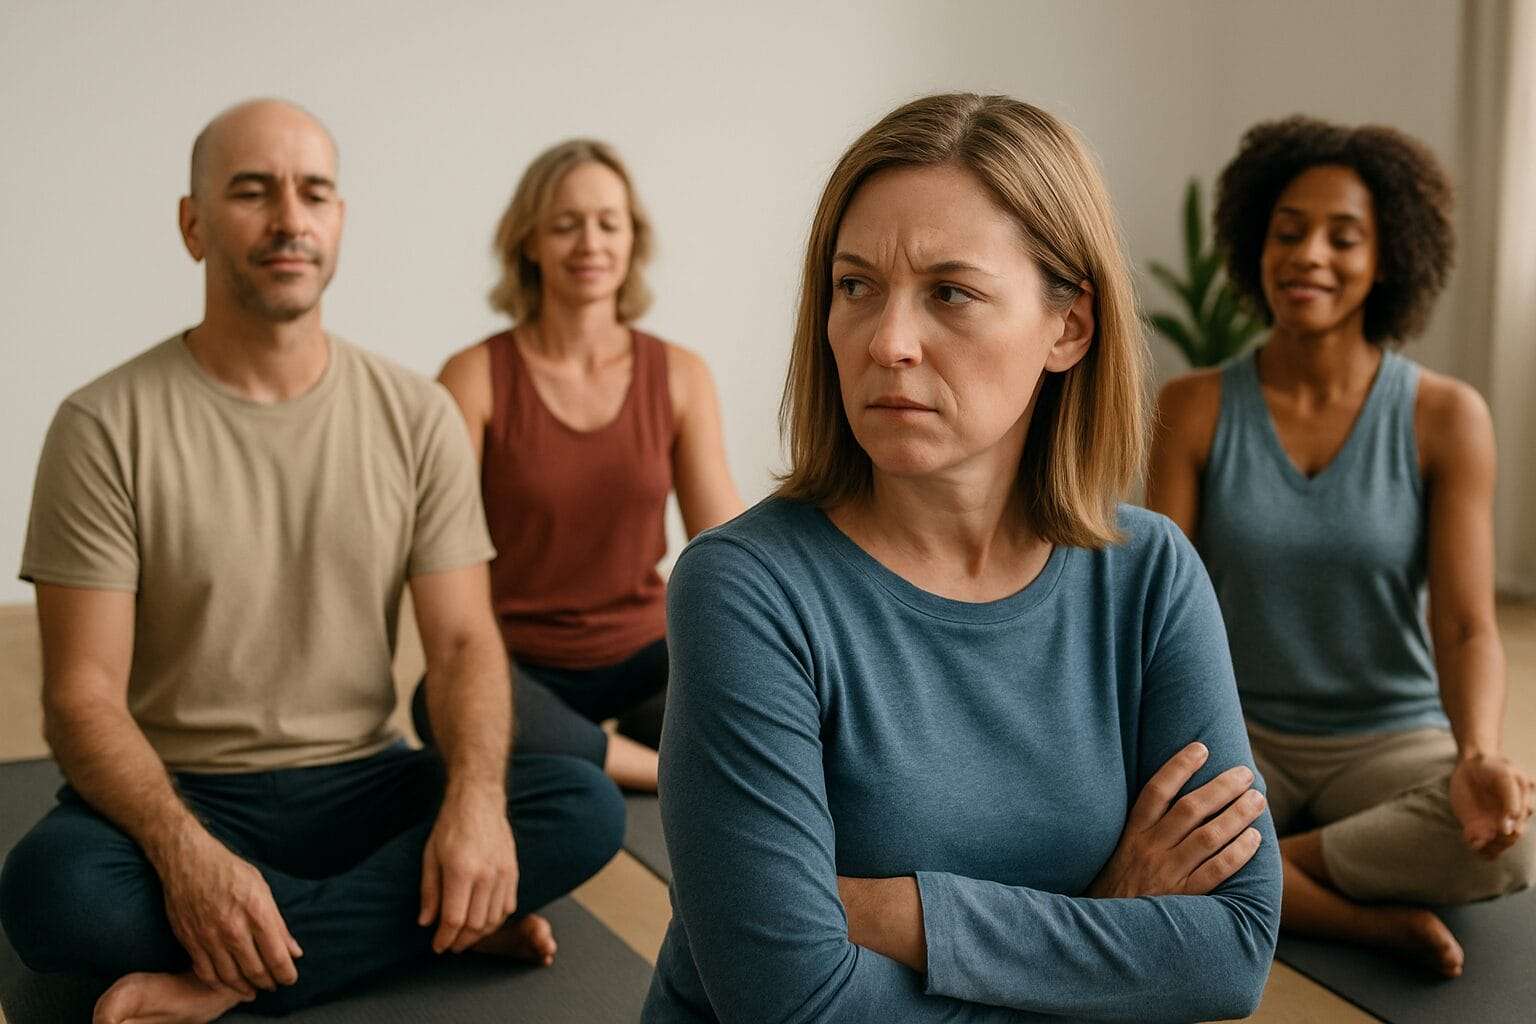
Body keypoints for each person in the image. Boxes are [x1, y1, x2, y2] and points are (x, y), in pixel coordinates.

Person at [643, 93, 1280, 1023]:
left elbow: (1231, 955)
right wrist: (1105, 924)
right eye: (855, 286)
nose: (887, 343)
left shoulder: (1150, 573)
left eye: (951, 292)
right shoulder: (745, 587)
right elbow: (792, 1006)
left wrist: (891, 910)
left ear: (1068, 328)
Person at [0, 99, 624, 1024]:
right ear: (193, 224)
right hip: (185, 790)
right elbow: (80, 696)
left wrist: (475, 802)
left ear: (338, 222)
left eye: (315, 193)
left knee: (578, 805)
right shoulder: (102, 426)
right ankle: (422, 922)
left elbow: (460, 645)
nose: (290, 218)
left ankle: (225, 981)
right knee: (53, 895)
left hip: (363, 781)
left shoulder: (415, 415)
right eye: (253, 192)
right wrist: (185, 855)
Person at [1147, 116, 1535, 978]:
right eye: (1286, 233)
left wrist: (1476, 755)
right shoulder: (1196, 406)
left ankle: (1262, 878)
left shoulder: (1446, 416)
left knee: (1506, 847)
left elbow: (1469, 626)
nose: (1307, 255)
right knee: (1096, 815)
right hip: (1235, 727)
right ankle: (1362, 920)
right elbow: (1159, 607)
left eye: (1342, 237)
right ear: (1255, 245)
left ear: (1387, 258)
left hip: (1388, 737)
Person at [413, 139, 743, 792]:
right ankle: (658, 771)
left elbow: (725, 543)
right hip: (517, 662)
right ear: (529, 243)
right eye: (565, 225)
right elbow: (438, 552)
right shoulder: (473, 377)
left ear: (631, 242)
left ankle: (593, 756)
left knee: (757, 682)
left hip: (647, 657)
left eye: (607, 224)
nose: (589, 243)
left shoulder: (680, 374)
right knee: (436, 700)